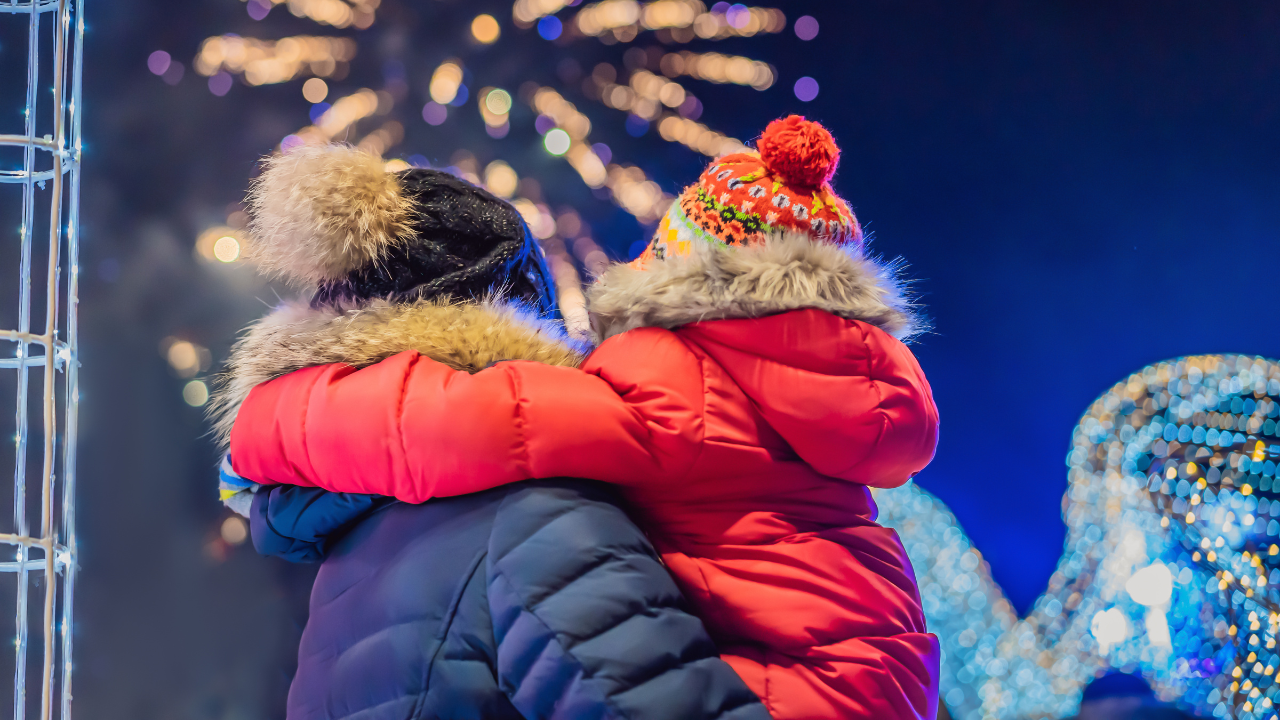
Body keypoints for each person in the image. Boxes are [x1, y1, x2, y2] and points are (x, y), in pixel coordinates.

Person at [228, 116, 943, 719]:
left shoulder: (666, 382)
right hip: (885, 673)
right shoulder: (856, 396)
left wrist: (279, 417)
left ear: (677, 275)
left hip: (777, 687)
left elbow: (463, 420)